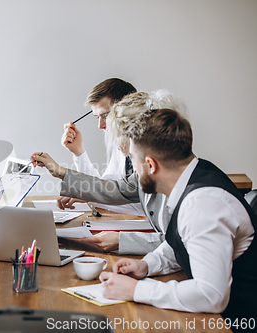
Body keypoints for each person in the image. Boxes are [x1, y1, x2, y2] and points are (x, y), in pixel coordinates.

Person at [97, 100, 256, 330]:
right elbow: (182, 241)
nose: (135, 169)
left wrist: (136, 290)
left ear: (150, 165)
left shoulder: (202, 204)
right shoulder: (195, 174)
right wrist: (147, 265)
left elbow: (211, 294)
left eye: (134, 159)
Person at [32, 92, 185, 255]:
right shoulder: (145, 164)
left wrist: (123, 240)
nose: (101, 126)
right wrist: (62, 170)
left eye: (105, 116)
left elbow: (179, 244)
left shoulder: (193, 193)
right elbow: (112, 188)